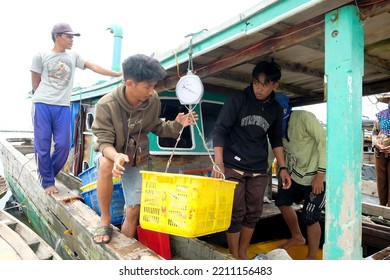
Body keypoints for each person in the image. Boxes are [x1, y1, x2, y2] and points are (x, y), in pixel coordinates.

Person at [91, 54, 198, 244]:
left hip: (135, 155)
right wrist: (117, 156)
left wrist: (177, 124)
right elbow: (104, 142)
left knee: (134, 208)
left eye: (154, 85)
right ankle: (105, 220)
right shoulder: (106, 105)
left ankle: (124, 244)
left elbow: (157, 127)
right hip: (111, 153)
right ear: (130, 83)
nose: (152, 91)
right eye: (148, 86)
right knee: (106, 164)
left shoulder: (153, 100)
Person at [212, 60, 291, 260]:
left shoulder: (276, 109)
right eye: (256, 83)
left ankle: (242, 252)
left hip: (258, 167)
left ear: (275, 85)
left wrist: (282, 167)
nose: (259, 88)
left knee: (253, 212)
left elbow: (275, 139)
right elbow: (220, 130)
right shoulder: (238, 100)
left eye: (265, 85)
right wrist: (218, 163)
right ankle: (233, 255)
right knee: (236, 212)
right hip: (232, 165)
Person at [30, 23, 122, 195]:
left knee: (64, 145)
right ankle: (47, 182)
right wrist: (44, 96)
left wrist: (116, 74)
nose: (72, 40)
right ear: (57, 36)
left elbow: (93, 66)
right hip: (42, 104)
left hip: (63, 107)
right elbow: (35, 83)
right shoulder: (40, 56)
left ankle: (46, 174)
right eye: (69, 36)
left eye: (73, 37)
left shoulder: (73, 56)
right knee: (42, 145)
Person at [274, 93, 326, 260]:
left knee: (310, 216)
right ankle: (297, 236)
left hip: (318, 177)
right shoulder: (275, 129)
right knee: (282, 200)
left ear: (285, 109)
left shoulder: (304, 117)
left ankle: (311, 257)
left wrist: (320, 175)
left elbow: (323, 143)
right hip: (296, 175)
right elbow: (273, 152)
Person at [372, 93, 390, 207]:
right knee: (381, 181)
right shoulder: (380, 116)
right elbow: (374, 133)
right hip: (379, 153)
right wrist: (376, 144)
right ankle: (382, 208)